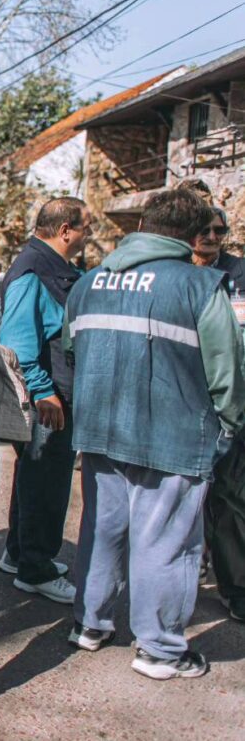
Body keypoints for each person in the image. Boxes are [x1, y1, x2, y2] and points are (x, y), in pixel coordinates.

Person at [65, 188, 245, 678]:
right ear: (192, 234)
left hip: (100, 429)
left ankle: (90, 623)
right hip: (175, 434)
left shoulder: (88, 283)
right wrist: (230, 424)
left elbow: (71, 348)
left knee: (102, 530)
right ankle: (161, 649)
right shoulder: (201, 285)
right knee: (167, 543)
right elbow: (226, 372)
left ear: (143, 224)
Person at [0, 197, 91, 605]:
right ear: (66, 229)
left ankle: (18, 554)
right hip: (49, 396)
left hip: (54, 391)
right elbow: (15, 341)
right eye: (87, 226)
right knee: (47, 482)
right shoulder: (34, 268)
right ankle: (36, 569)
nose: (91, 234)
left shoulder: (50, 266)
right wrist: (43, 390)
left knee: (35, 478)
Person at [190, 203, 245, 623]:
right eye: (204, 229)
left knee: (229, 497)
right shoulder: (175, 272)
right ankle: (187, 572)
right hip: (185, 400)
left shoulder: (239, 273)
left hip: (232, 403)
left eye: (218, 229)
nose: (211, 235)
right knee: (183, 498)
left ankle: (234, 585)